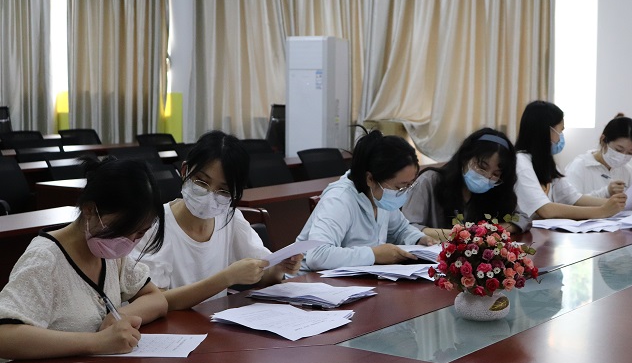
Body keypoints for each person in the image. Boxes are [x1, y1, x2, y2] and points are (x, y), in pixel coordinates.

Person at [0, 157, 167, 360]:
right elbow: (4, 336)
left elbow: (156, 298)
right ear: (89, 210)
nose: (129, 241)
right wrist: (97, 342)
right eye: (122, 229)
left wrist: (121, 316)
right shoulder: (45, 259)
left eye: (140, 233)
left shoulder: (111, 254)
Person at [132, 130, 302, 311]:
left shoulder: (229, 219)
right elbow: (154, 302)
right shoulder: (153, 227)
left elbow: (263, 274)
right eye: (201, 182)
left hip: (214, 323)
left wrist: (279, 267)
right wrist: (226, 278)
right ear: (184, 171)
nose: (210, 194)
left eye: (223, 191)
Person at [297, 130, 437, 272]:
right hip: (309, 280)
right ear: (370, 179)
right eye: (399, 187)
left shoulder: (381, 197)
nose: (404, 192)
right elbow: (318, 255)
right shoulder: (339, 199)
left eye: (409, 185)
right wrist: (374, 255)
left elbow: (400, 229)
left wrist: (419, 239)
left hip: (356, 278)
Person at [402, 128, 531, 240]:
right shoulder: (429, 181)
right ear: (465, 158)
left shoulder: (496, 190)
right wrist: (462, 235)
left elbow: (523, 219)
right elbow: (408, 228)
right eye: (482, 167)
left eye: (496, 174)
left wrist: (493, 230)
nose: (487, 177)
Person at [513, 100, 627, 220]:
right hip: (524, 231)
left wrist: (619, 204)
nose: (561, 137)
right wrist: (602, 211)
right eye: (560, 131)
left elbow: (573, 198)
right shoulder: (520, 162)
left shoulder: (545, 162)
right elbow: (546, 210)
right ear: (545, 131)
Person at [565, 114, 632, 203]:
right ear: (603, 140)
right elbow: (568, 202)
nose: (623, 156)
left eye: (630, 153)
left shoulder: (626, 170)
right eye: (619, 150)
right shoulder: (580, 166)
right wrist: (606, 192)